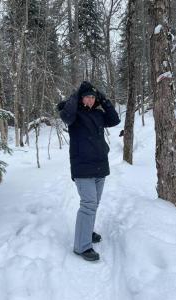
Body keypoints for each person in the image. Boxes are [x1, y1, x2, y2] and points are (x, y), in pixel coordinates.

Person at [57, 81, 120, 261]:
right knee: (88, 204)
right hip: (82, 166)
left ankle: (87, 232)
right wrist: (75, 96)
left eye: (93, 97)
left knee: (94, 203)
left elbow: (115, 120)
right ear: (81, 98)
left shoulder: (98, 114)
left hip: (100, 165)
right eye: (87, 97)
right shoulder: (74, 114)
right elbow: (66, 116)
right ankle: (81, 246)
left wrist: (103, 99)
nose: (91, 100)